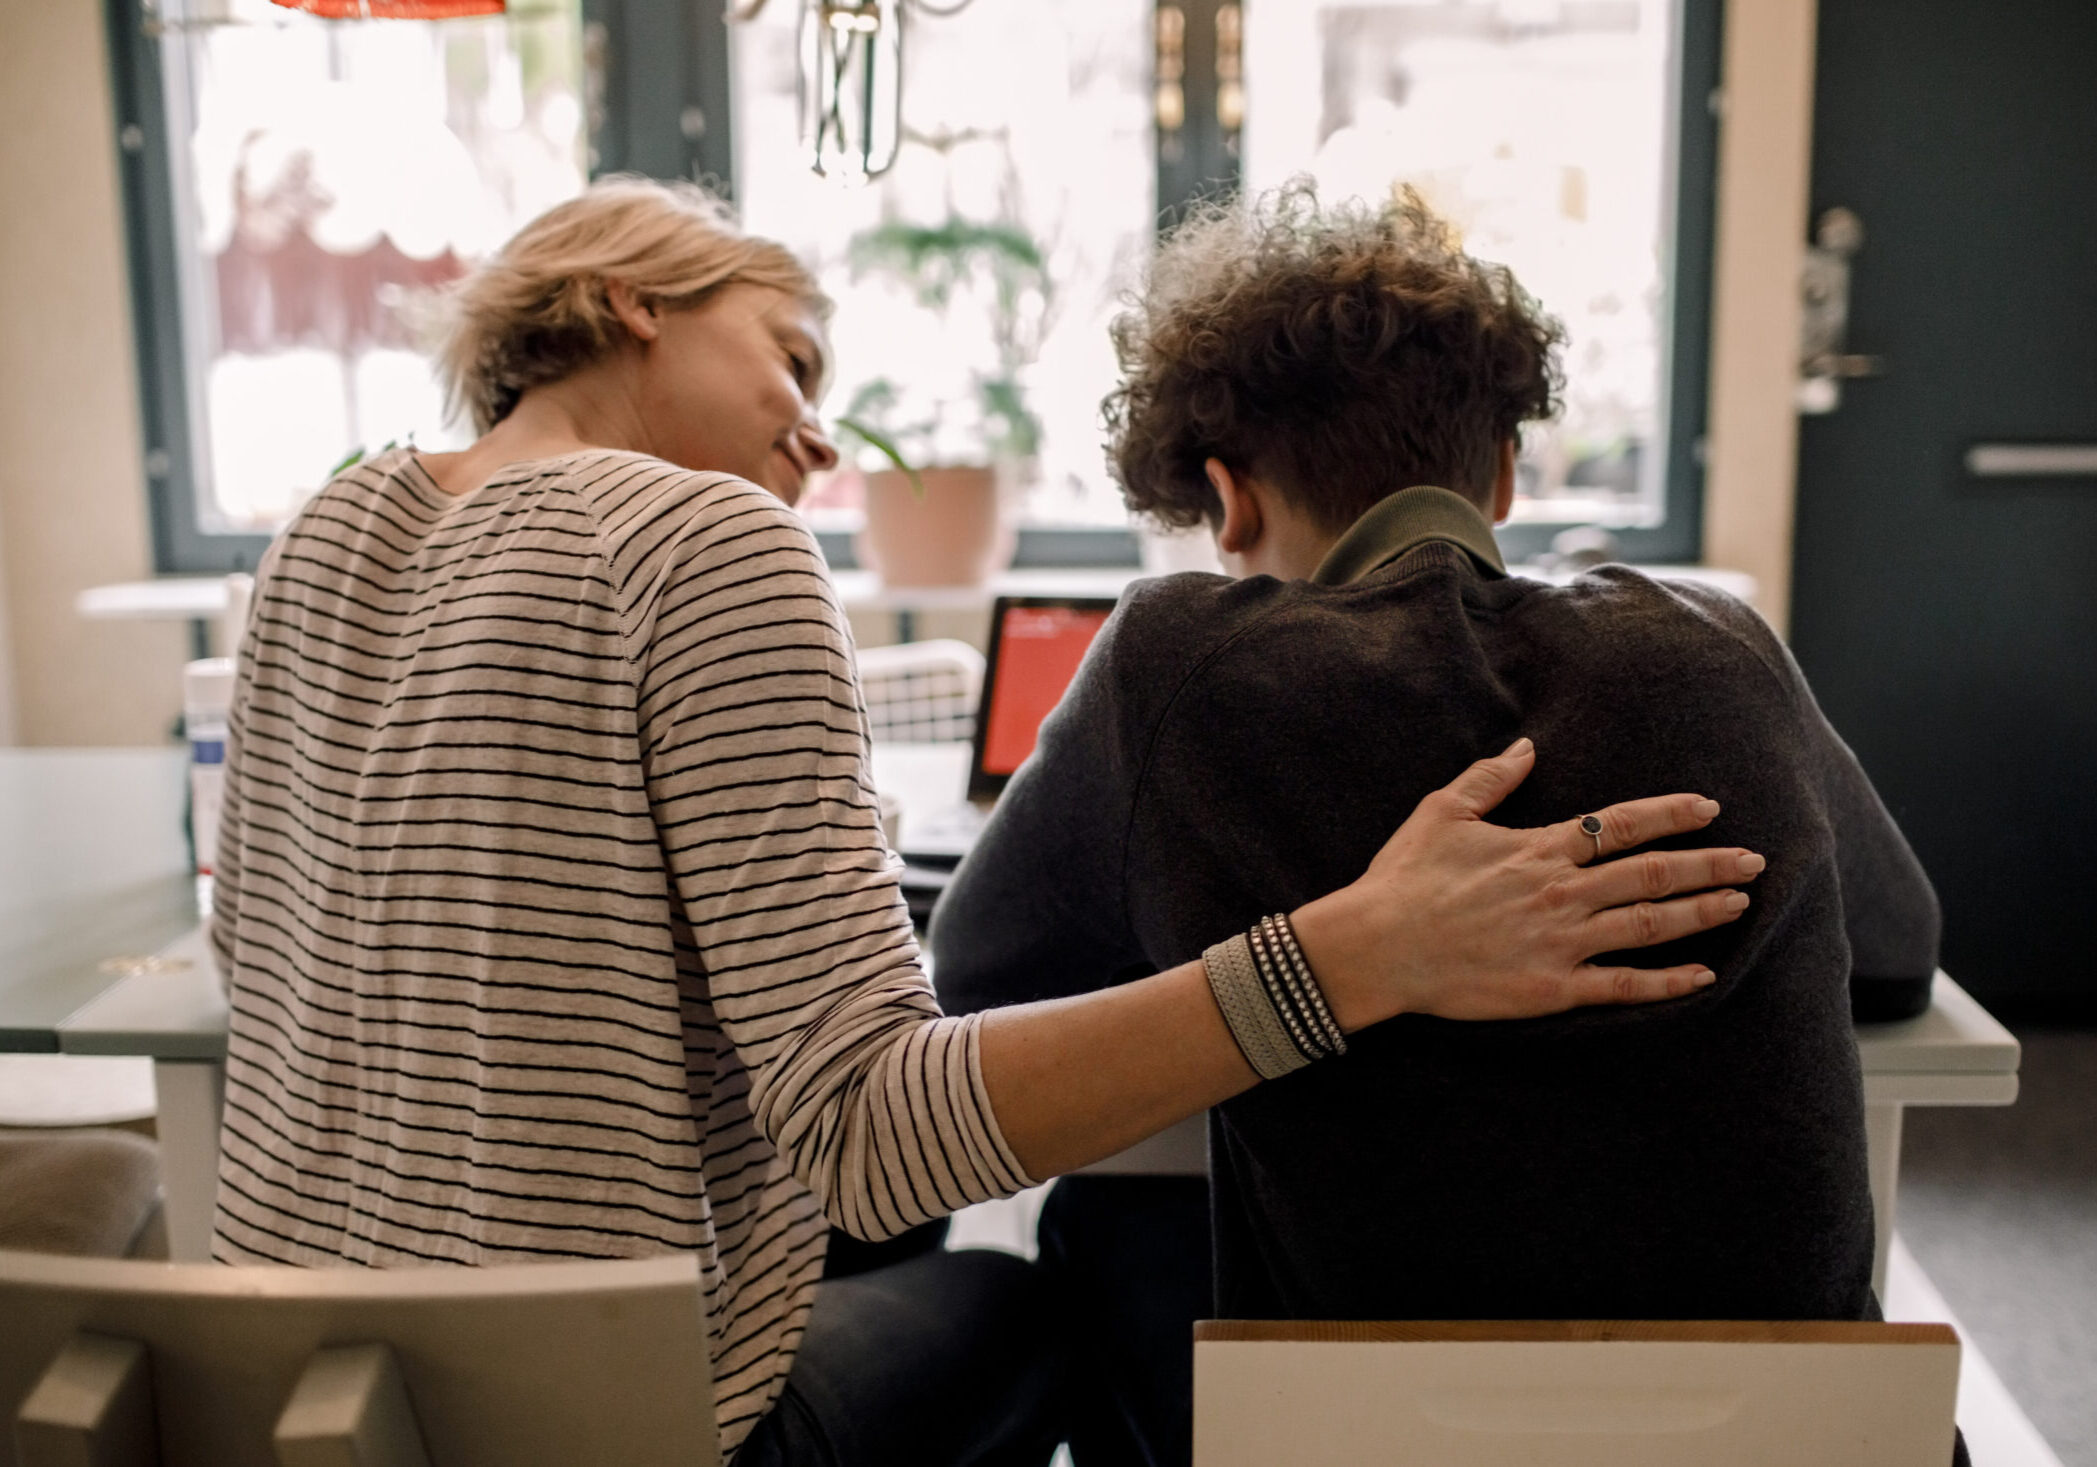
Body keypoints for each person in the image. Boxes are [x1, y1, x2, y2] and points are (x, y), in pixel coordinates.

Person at [206, 177, 1758, 1466]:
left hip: (297, 1396)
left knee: (904, 1259)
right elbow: (879, 1140)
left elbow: (261, 956)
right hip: (602, 1427)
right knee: (1049, 1291)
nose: (816, 438)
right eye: (794, 361)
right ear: (633, 297)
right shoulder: (708, 539)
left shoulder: (324, 528)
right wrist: (1353, 952)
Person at [931, 185, 1943, 1467]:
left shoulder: (1177, 667)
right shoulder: (1712, 643)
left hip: (1353, 1445)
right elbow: (1903, 952)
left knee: (1105, 1229)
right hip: (1788, 1451)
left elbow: (975, 978)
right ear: (1506, 474)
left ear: (1229, 502)